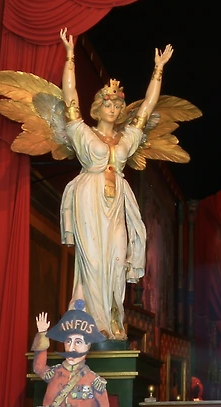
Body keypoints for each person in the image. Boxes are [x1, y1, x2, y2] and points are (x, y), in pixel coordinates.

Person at [58, 28, 170, 339]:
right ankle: (96, 325)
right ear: (97, 107)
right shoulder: (81, 132)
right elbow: (69, 96)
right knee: (93, 261)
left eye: (118, 105)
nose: (113, 108)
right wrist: (70, 55)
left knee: (118, 259)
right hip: (89, 198)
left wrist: (158, 70)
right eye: (107, 103)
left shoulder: (127, 138)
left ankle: (113, 317)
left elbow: (146, 109)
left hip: (117, 199)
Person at [33, 301, 109, 406]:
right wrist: (42, 333)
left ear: (88, 346)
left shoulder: (94, 382)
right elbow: (39, 367)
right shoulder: (55, 373)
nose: (71, 348)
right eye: (68, 341)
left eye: (78, 342)